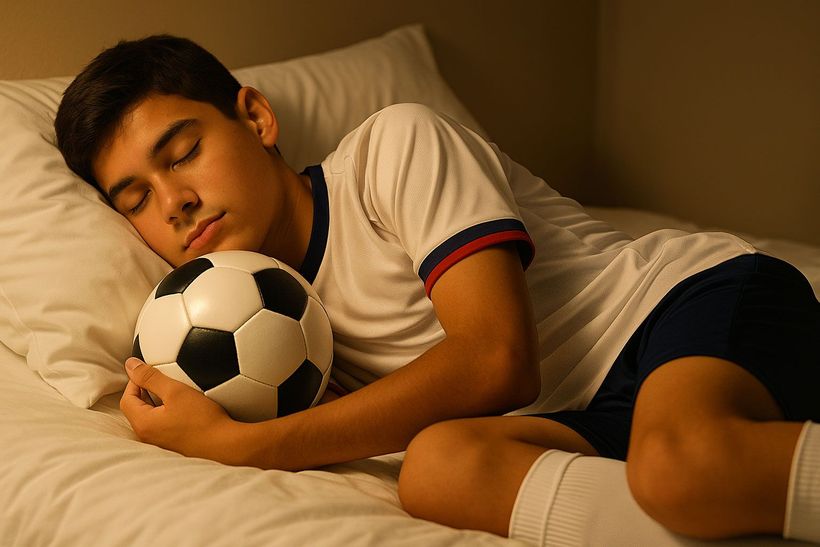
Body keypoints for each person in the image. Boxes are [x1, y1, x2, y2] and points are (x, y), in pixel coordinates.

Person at [54, 35, 819, 545]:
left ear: (255, 117)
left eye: (183, 152)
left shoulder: (394, 150)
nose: (173, 199)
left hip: (674, 310)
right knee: (435, 469)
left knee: (680, 463)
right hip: (576, 417)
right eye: (135, 198)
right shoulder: (241, 325)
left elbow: (496, 360)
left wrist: (246, 446)